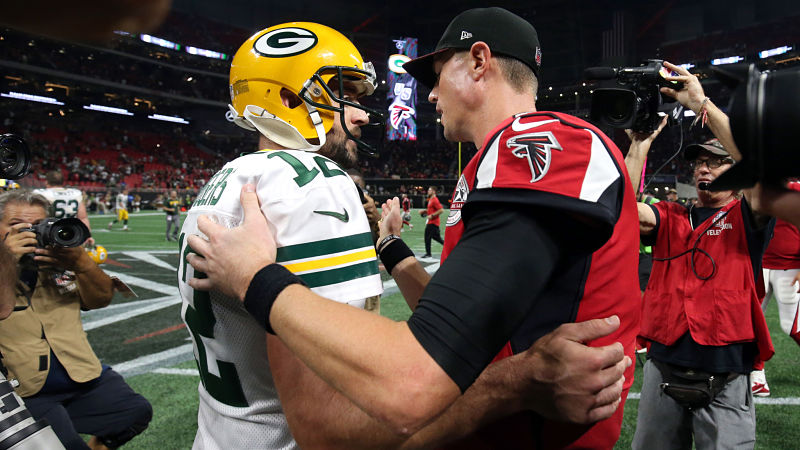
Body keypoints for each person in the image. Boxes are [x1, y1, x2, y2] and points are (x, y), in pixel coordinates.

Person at [186, 8, 637, 448]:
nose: (431, 97)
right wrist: (391, 247)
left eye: (435, 76)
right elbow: (458, 319)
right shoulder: (485, 167)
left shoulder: (550, 143)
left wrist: (256, 277)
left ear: (479, 62)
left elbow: (413, 380)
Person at [626, 61, 775, 450]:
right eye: (699, 162)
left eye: (716, 160)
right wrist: (639, 146)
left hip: (726, 374)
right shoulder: (671, 215)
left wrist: (700, 104)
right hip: (663, 366)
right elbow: (620, 208)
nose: (704, 168)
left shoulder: (747, 214)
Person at [0, 190, 152, 449]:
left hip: (80, 375)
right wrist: (6, 260)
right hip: (23, 390)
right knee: (65, 443)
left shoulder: (59, 261)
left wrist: (82, 263)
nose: (30, 234)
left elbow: (100, 298)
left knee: (135, 412)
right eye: (17, 226)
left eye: (37, 226)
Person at [752, 217, 800, 396]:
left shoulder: (794, 191)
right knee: (751, 322)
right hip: (758, 264)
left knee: (792, 326)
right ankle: (757, 375)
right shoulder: (755, 191)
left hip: (790, 267)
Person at [33, 170, 94, 246]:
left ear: (46, 182)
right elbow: (83, 217)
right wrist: (88, 236)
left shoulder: (40, 193)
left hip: (49, 233)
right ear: (62, 182)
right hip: (71, 233)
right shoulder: (75, 193)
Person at [421, 186, 444, 258]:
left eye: (429, 190)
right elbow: (431, 210)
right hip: (432, 222)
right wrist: (425, 211)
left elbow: (441, 210)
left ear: (434, 191)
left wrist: (432, 215)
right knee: (436, 238)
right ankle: (449, 247)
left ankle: (428, 254)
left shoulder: (434, 200)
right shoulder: (430, 199)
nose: (428, 191)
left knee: (427, 237)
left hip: (433, 222)